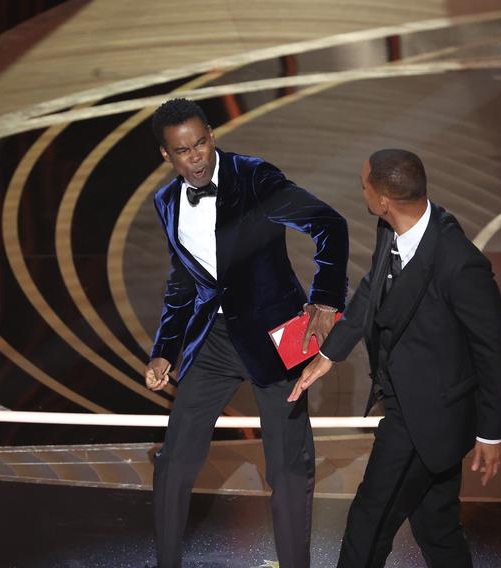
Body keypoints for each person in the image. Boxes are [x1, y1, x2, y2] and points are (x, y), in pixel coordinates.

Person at [143, 98, 349, 568]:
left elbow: (328, 225)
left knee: (287, 469)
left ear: (212, 135)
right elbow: (183, 282)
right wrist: (165, 351)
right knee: (174, 461)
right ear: (166, 155)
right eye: (182, 151)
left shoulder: (254, 177)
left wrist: (326, 300)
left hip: (278, 339)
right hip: (213, 342)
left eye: (201, 144)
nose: (195, 157)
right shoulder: (166, 202)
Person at [289, 149, 501, 567]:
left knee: (368, 524)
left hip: (426, 417)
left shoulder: (460, 263)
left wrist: (492, 433)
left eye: (364, 185)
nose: (362, 192)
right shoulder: (391, 229)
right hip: (408, 402)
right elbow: (372, 293)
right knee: (437, 528)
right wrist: (329, 353)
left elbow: (492, 349)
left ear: (383, 199)